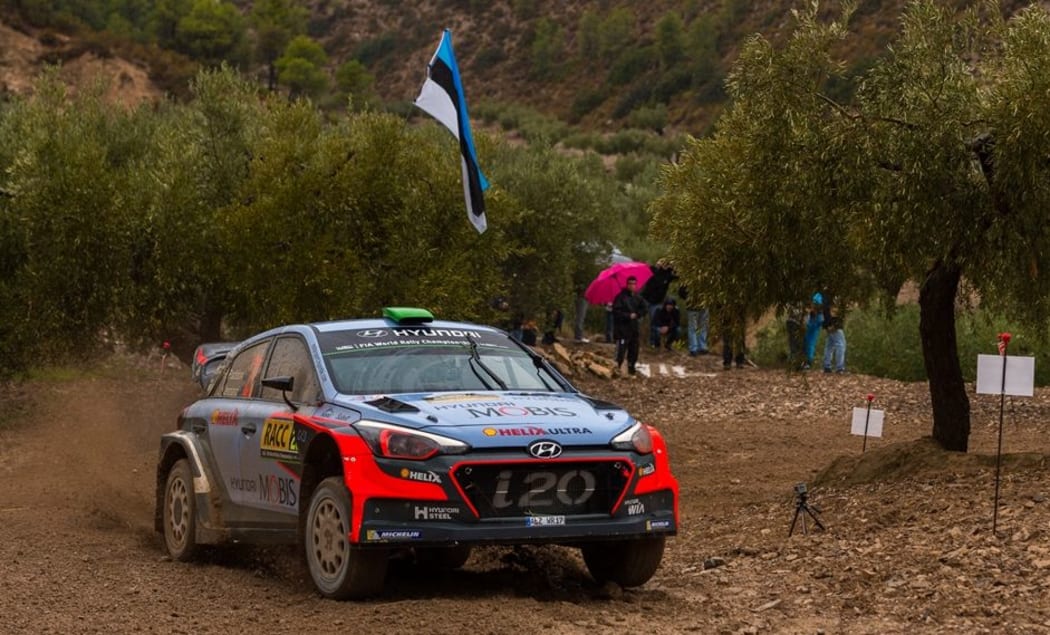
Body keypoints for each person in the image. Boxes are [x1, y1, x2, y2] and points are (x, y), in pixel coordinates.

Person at [612, 276, 648, 375]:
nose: (632, 286)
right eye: (630, 284)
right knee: (621, 351)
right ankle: (617, 368)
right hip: (622, 329)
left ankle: (631, 367)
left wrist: (637, 314)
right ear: (627, 285)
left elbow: (645, 308)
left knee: (634, 349)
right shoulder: (620, 297)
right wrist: (628, 316)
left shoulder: (638, 298)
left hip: (634, 328)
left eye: (634, 284)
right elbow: (616, 312)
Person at [640, 259, 677, 348]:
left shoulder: (668, 275)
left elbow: (677, 275)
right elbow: (647, 268)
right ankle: (637, 340)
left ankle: (653, 342)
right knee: (639, 319)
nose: (664, 266)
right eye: (663, 264)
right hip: (646, 298)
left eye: (666, 264)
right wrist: (656, 266)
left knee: (654, 322)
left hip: (656, 302)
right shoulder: (653, 271)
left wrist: (673, 267)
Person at [679, 285, 709, 356]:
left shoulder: (687, 281)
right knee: (700, 327)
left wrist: (687, 299)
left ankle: (696, 348)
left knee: (696, 328)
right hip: (698, 306)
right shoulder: (704, 280)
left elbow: (681, 292)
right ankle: (700, 347)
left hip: (697, 306)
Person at [822, 299, 847, 373]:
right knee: (841, 345)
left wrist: (826, 326)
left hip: (829, 324)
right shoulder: (833, 299)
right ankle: (839, 367)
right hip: (834, 325)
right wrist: (834, 325)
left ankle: (827, 366)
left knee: (829, 346)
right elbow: (834, 311)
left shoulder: (825, 299)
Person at [802, 293, 825, 370]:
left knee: (810, 345)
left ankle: (808, 362)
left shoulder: (819, 314)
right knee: (807, 345)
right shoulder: (813, 312)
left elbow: (820, 322)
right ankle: (805, 362)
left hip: (813, 329)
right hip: (809, 328)